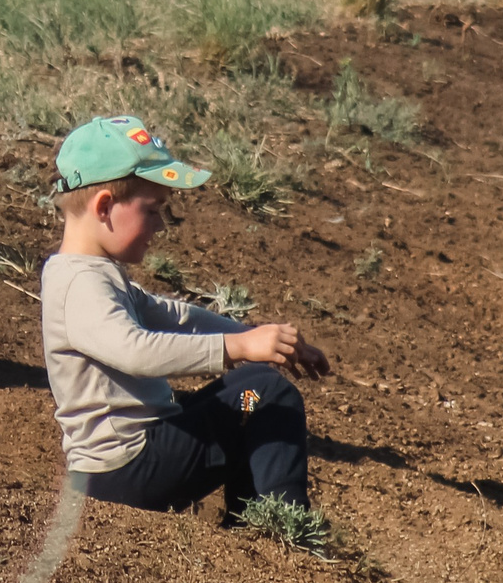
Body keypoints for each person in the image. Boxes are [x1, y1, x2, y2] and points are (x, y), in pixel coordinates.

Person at [39, 116, 332, 517]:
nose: (161, 224)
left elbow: (174, 317)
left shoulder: (90, 271)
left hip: (142, 459)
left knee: (253, 385)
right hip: (130, 468)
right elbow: (135, 352)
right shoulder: (80, 285)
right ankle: (280, 530)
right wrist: (239, 345)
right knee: (265, 398)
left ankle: (256, 523)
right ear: (105, 206)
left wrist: (259, 338)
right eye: (153, 209)